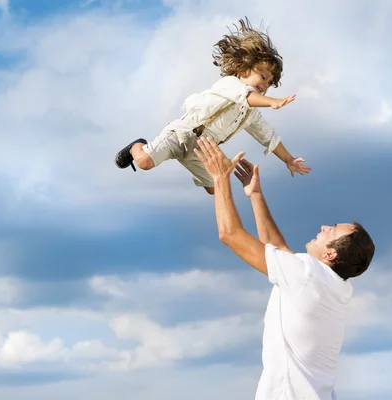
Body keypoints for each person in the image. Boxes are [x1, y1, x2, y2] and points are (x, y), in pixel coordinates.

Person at [193, 136, 375, 399]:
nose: (325, 227)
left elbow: (230, 234)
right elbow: (278, 250)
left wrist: (220, 178)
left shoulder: (308, 275)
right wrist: (255, 195)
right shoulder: (336, 287)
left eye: (332, 230)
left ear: (331, 254)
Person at [114, 18, 311, 195]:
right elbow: (246, 96)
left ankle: (189, 165)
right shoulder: (230, 84)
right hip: (180, 134)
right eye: (263, 77)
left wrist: (288, 160)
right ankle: (136, 146)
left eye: (269, 84)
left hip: (202, 151)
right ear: (243, 69)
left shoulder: (251, 114)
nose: (266, 85)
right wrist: (273, 102)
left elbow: (268, 137)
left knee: (216, 188)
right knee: (144, 162)